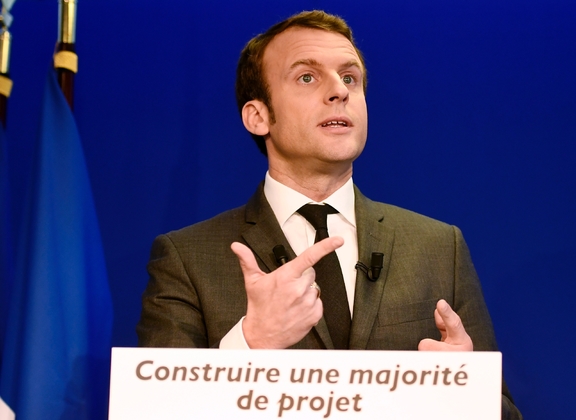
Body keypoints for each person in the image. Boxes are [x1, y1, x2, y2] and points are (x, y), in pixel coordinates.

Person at [137, 10, 522, 419]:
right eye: (307, 77)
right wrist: (253, 343)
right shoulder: (187, 257)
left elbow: (505, 414)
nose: (339, 91)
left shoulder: (440, 248)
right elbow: (153, 411)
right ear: (258, 116)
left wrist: (465, 395)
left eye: (349, 78)